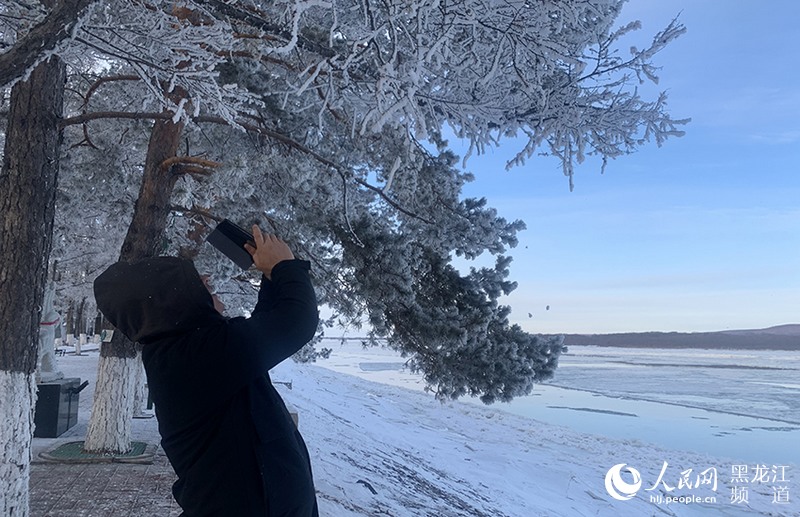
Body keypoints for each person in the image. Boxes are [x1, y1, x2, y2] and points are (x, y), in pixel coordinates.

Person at [94, 226, 319, 516]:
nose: (207, 281)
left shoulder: (190, 349)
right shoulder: (191, 357)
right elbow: (294, 322)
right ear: (174, 303)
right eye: (195, 286)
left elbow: (265, 325)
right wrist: (286, 267)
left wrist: (272, 276)